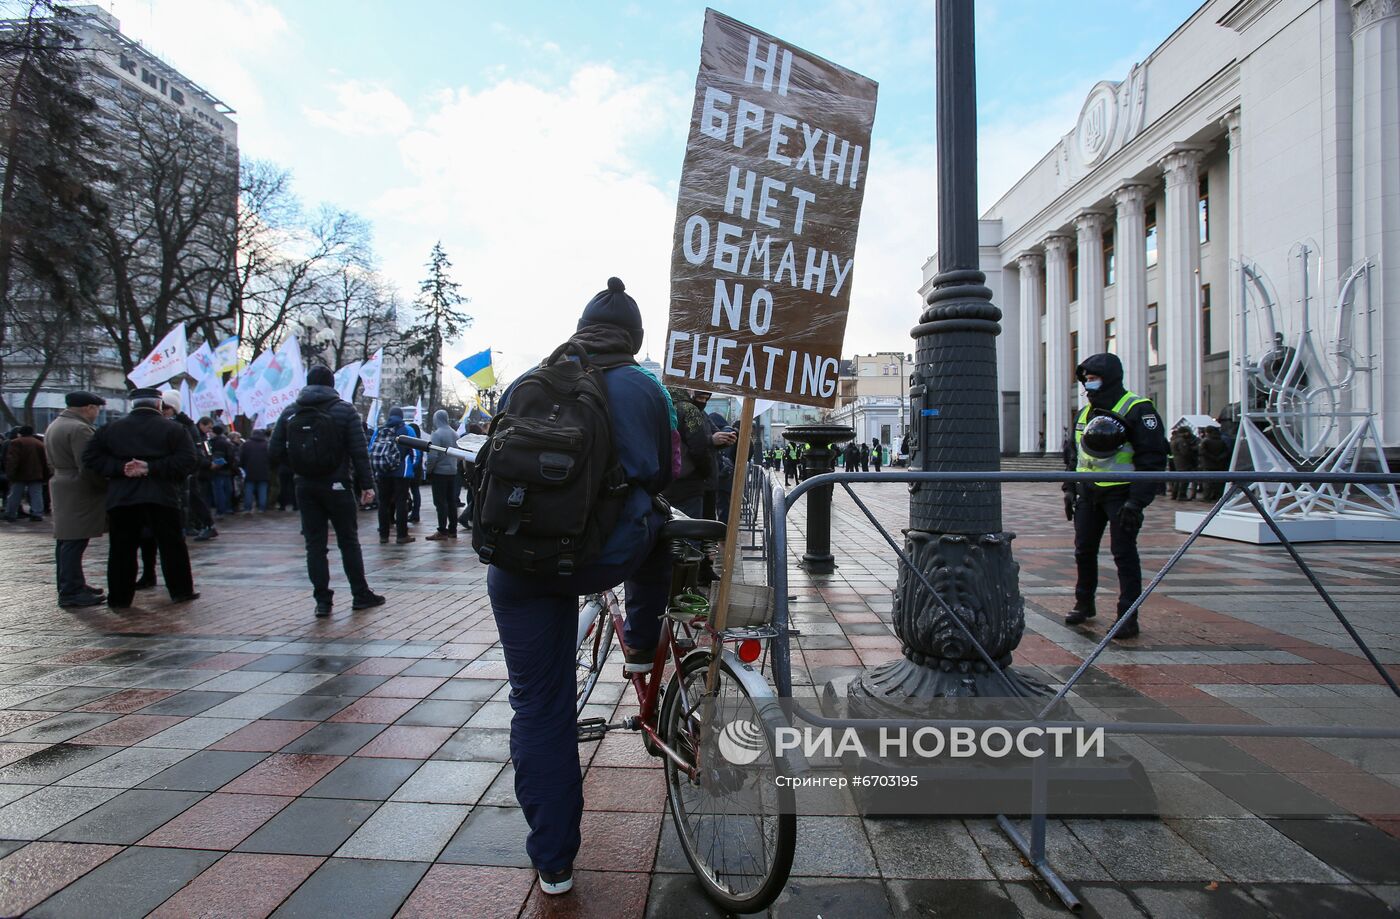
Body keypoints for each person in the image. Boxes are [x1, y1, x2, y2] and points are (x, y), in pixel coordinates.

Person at [487, 277, 673, 896]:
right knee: (659, 522)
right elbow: (662, 470)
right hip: (596, 558)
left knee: (538, 706)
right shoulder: (644, 387)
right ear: (634, 338)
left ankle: (554, 862)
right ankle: (642, 647)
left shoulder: (527, 381)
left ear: (581, 328)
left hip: (515, 562)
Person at [1062, 353, 1167, 639]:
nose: (1088, 384)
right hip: (1088, 493)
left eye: (1093, 379)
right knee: (1083, 550)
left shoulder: (1137, 408)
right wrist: (1069, 489)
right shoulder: (1085, 412)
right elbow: (1073, 454)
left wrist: (1137, 501)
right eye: (1086, 380)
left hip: (1121, 495)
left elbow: (1153, 458)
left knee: (1124, 555)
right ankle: (1084, 603)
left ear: (1109, 378)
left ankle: (1127, 616)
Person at [271, 365, 385, 618]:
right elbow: (359, 452)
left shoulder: (291, 411)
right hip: (338, 484)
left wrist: (297, 469)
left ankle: (322, 601)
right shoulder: (344, 410)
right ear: (332, 384)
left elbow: (275, 449)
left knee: (315, 545)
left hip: (305, 486)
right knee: (348, 541)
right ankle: (360, 594)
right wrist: (367, 486)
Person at [83, 387, 200, 609]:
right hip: (161, 495)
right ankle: (181, 591)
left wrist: (119, 468)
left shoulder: (110, 429)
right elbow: (188, 460)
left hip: (123, 496)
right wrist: (152, 468)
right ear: (159, 404)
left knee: (121, 548)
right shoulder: (174, 429)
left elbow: (90, 458)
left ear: (132, 405)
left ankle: (119, 597)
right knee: (172, 546)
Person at [45, 392, 109, 607]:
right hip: (78, 488)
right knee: (74, 540)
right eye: (96, 408)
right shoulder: (79, 428)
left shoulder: (57, 424)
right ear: (89, 407)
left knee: (66, 539)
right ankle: (71, 590)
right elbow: (88, 464)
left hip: (63, 482)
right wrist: (104, 485)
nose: (97, 413)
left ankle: (72, 583)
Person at [663, 388, 731, 518]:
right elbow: (699, 447)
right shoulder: (689, 410)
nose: (703, 402)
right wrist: (706, 472)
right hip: (690, 483)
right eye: (700, 398)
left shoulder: (662, 407)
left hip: (666, 481)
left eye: (706, 399)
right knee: (692, 530)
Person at [369, 407, 423, 544]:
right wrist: (412, 466)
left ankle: (383, 535)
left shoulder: (379, 430)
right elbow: (416, 451)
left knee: (383, 503)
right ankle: (401, 535)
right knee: (401, 503)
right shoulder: (407, 430)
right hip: (402, 472)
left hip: (382, 472)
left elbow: (371, 449)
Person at [425, 409, 461, 540]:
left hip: (439, 472)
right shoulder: (455, 434)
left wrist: (428, 470)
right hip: (452, 471)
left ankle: (442, 530)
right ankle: (453, 530)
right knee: (451, 501)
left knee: (440, 502)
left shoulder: (437, 434)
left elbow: (432, 456)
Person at [3, 425, 49, 521]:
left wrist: (10, 473)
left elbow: (13, 460)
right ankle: (37, 513)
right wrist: (45, 474)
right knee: (36, 494)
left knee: (15, 494)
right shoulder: (39, 443)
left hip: (19, 473)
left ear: (20, 433)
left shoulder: (16, 442)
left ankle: (11, 513)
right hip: (36, 473)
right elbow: (45, 461)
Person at [206, 424, 238, 515]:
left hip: (217, 469)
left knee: (219, 491)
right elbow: (231, 456)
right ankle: (228, 507)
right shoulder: (227, 442)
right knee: (227, 490)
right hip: (227, 469)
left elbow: (210, 455)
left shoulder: (212, 443)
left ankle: (221, 510)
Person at [240, 428, 271, 512]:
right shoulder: (266, 444)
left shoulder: (246, 444)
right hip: (264, 470)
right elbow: (270, 457)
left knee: (249, 490)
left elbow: (242, 458)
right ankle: (262, 507)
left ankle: (247, 508)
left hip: (249, 470)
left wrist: (243, 466)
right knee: (262, 490)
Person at [1197, 424, 1230, 502]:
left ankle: (1207, 497)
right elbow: (1227, 451)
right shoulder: (1221, 440)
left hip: (1208, 464)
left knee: (1208, 482)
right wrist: (1219, 458)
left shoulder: (1205, 441)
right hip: (1220, 464)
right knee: (1218, 482)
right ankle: (1217, 496)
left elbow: (1202, 452)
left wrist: (1212, 457)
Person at [1168, 424, 1200, 501]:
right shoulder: (1181, 440)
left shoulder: (1174, 439)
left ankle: (1175, 494)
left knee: (1178, 479)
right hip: (1183, 462)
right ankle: (1181, 495)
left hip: (1177, 461)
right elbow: (1185, 452)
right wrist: (1192, 451)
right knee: (1184, 479)